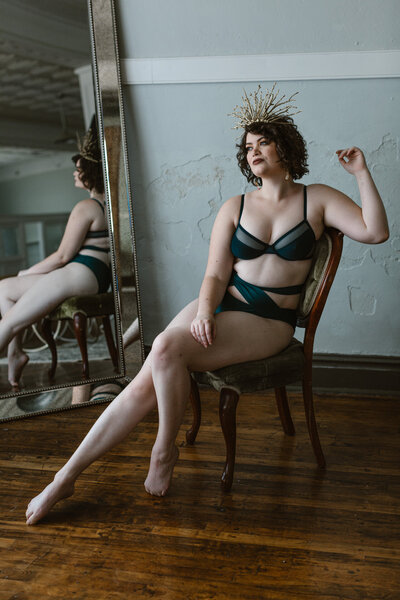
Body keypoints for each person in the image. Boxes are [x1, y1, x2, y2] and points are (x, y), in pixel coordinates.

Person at [25, 85, 389, 525]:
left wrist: (361, 172)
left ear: (285, 146)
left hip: (269, 320)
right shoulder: (234, 206)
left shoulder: (319, 198)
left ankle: (163, 448)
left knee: (163, 349)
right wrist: (203, 312)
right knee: (153, 363)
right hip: (222, 303)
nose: (254, 151)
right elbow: (216, 275)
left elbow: (375, 231)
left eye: (263, 142)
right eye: (248, 146)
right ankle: (66, 475)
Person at [0, 118, 111, 390]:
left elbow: (63, 256)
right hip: (94, 275)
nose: (74, 174)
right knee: (3, 289)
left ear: (89, 173)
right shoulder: (109, 205)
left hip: (78, 273)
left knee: (8, 323)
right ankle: (15, 354)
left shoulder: (86, 206)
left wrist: (29, 271)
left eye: (77, 169)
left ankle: (15, 353)